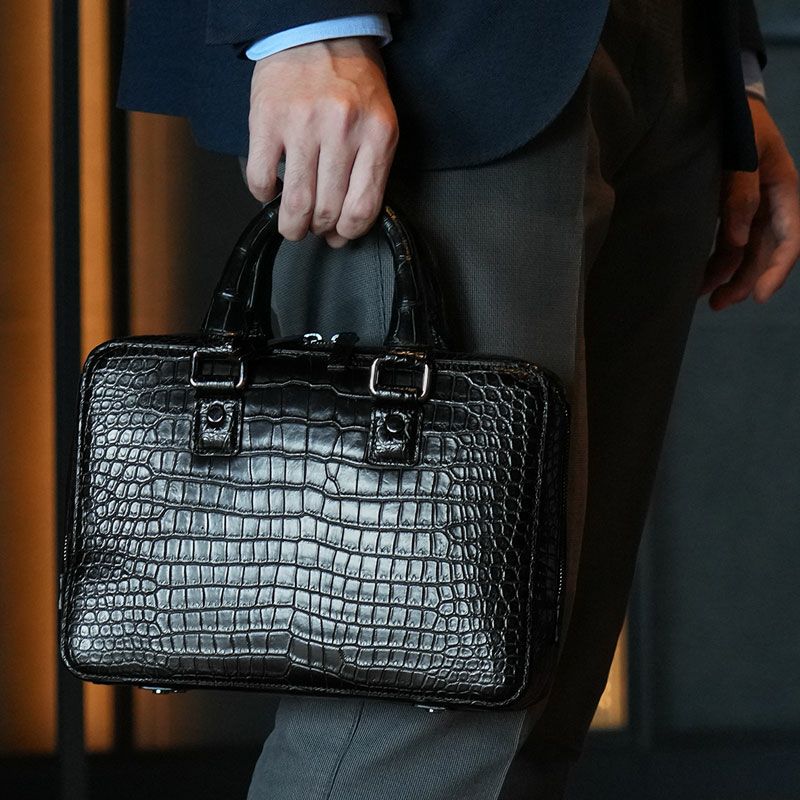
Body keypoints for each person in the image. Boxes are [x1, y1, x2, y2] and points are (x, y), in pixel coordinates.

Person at [117, 2, 800, 798]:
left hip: (665, 54)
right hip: (439, 48)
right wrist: (306, 22)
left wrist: (732, 75)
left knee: (538, 695)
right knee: (419, 708)